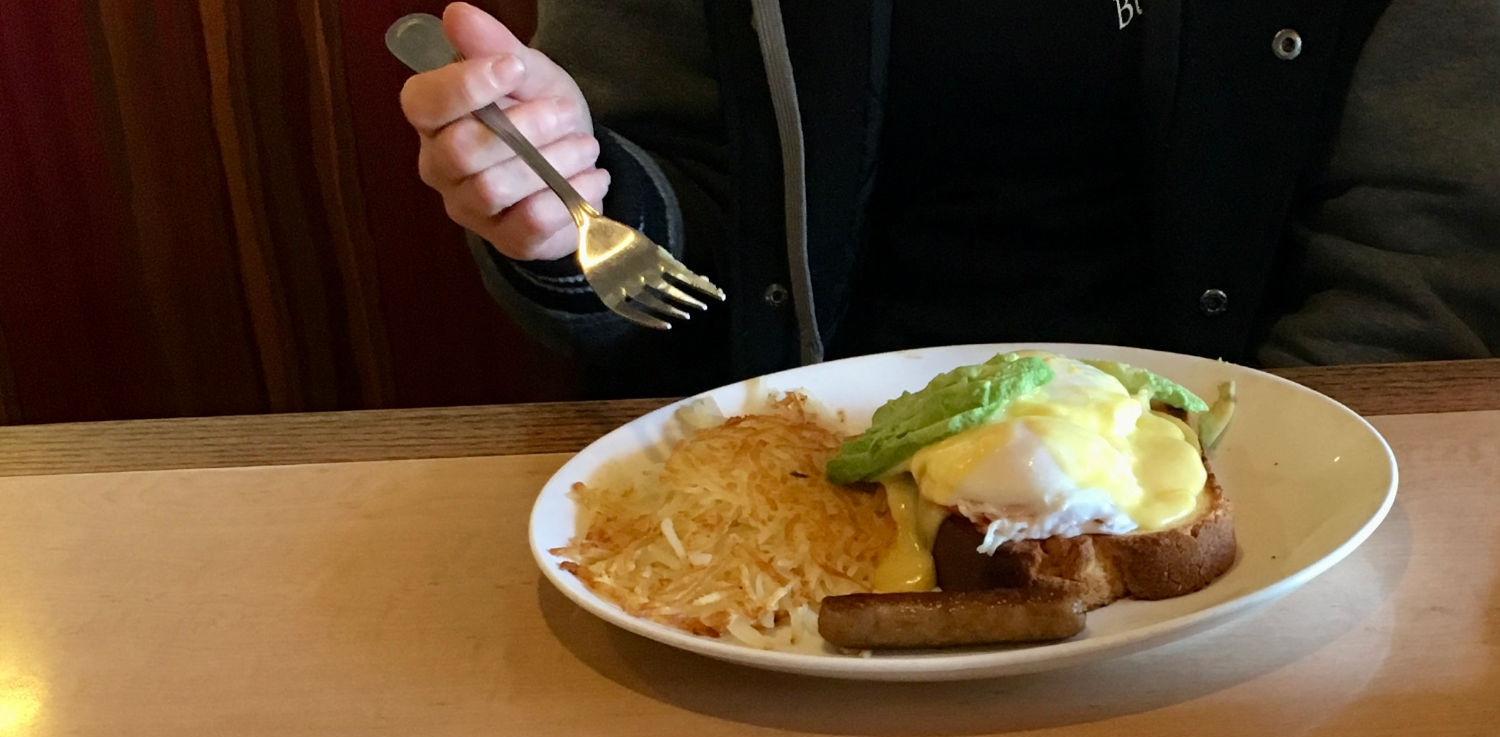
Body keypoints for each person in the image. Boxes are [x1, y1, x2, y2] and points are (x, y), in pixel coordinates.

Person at [400, 0, 1500, 397]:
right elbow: (662, 215)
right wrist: (565, 217)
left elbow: (1424, 257)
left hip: (1250, 492)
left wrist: (1240, 498)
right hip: (813, 482)